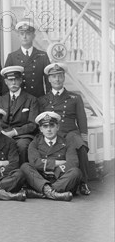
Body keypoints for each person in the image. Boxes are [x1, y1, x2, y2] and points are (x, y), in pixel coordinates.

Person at [38, 63, 91, 195]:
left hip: (70, 133)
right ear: (49, 79)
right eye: (54, 76)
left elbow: (82, 119)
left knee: (81, 147)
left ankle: (83, 182)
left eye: (60, 76)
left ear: (64, 77)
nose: (57, 79)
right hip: (51, 133)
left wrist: (84, 138)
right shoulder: (43, 100)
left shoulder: (75, 98)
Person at [20, 112, 80, 201]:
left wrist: (55, 171)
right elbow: (34, 162)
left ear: (57, 127)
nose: (49, 129)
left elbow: (73, 163)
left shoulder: (67, 142)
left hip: (59, 178)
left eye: (52, 126)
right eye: (45, 126)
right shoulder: (35, 143)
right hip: (40, 178)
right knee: (25, 167)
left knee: (76, 172)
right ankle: (53, 193)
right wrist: (56, 163)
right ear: (40, 129)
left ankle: (42, 192)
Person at [0, 66, 39, 165]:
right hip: (4, 133)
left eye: (16, 80)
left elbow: (33, 124)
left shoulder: (31, 100)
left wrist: (14, 132)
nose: (13, 83)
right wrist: (2, 132)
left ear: (21, 80)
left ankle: (23, 173)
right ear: (6, 82)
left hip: (23, 135)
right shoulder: (0, 100)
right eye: (10, 80)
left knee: (22, 146)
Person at [4, 21, 50, 98]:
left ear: (33, 36)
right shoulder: (12, 57)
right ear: (18, 36)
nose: (24, 37)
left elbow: (48, 81)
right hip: (19, 100)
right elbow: (5, 82)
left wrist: (48, 99)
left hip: (38, 98)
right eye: (22, 34)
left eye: (28, 34)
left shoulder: (42, 56)